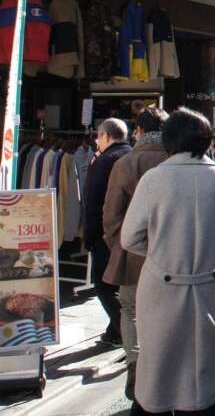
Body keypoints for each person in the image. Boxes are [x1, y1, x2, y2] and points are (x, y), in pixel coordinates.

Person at [122, 108, 215, 416]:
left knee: (158, 360)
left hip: (160, 283)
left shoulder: (154, 179)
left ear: (169, 140)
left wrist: (161, 249)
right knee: (203, 363)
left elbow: (129, 238)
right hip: (206, 282)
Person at [102, 107, 169, 400]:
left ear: (138, 131)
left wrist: (117, 243)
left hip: (131, 253)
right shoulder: (175, 161)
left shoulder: (126, 163)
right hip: (170, 254)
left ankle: (135, 362)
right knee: (166, 311)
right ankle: (163, 367)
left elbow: (111, 213)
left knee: (129, 310)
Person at [83, 118, 132, 347]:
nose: (96, 141)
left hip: (106, 233)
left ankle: (125, 330)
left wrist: (90, 236)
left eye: (98, 136)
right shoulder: (132, 156)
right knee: (120, 286)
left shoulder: (104, 161)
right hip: (131, 233)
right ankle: (114, 332)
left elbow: (93, 202)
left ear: (106, 136)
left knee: (104, 287)